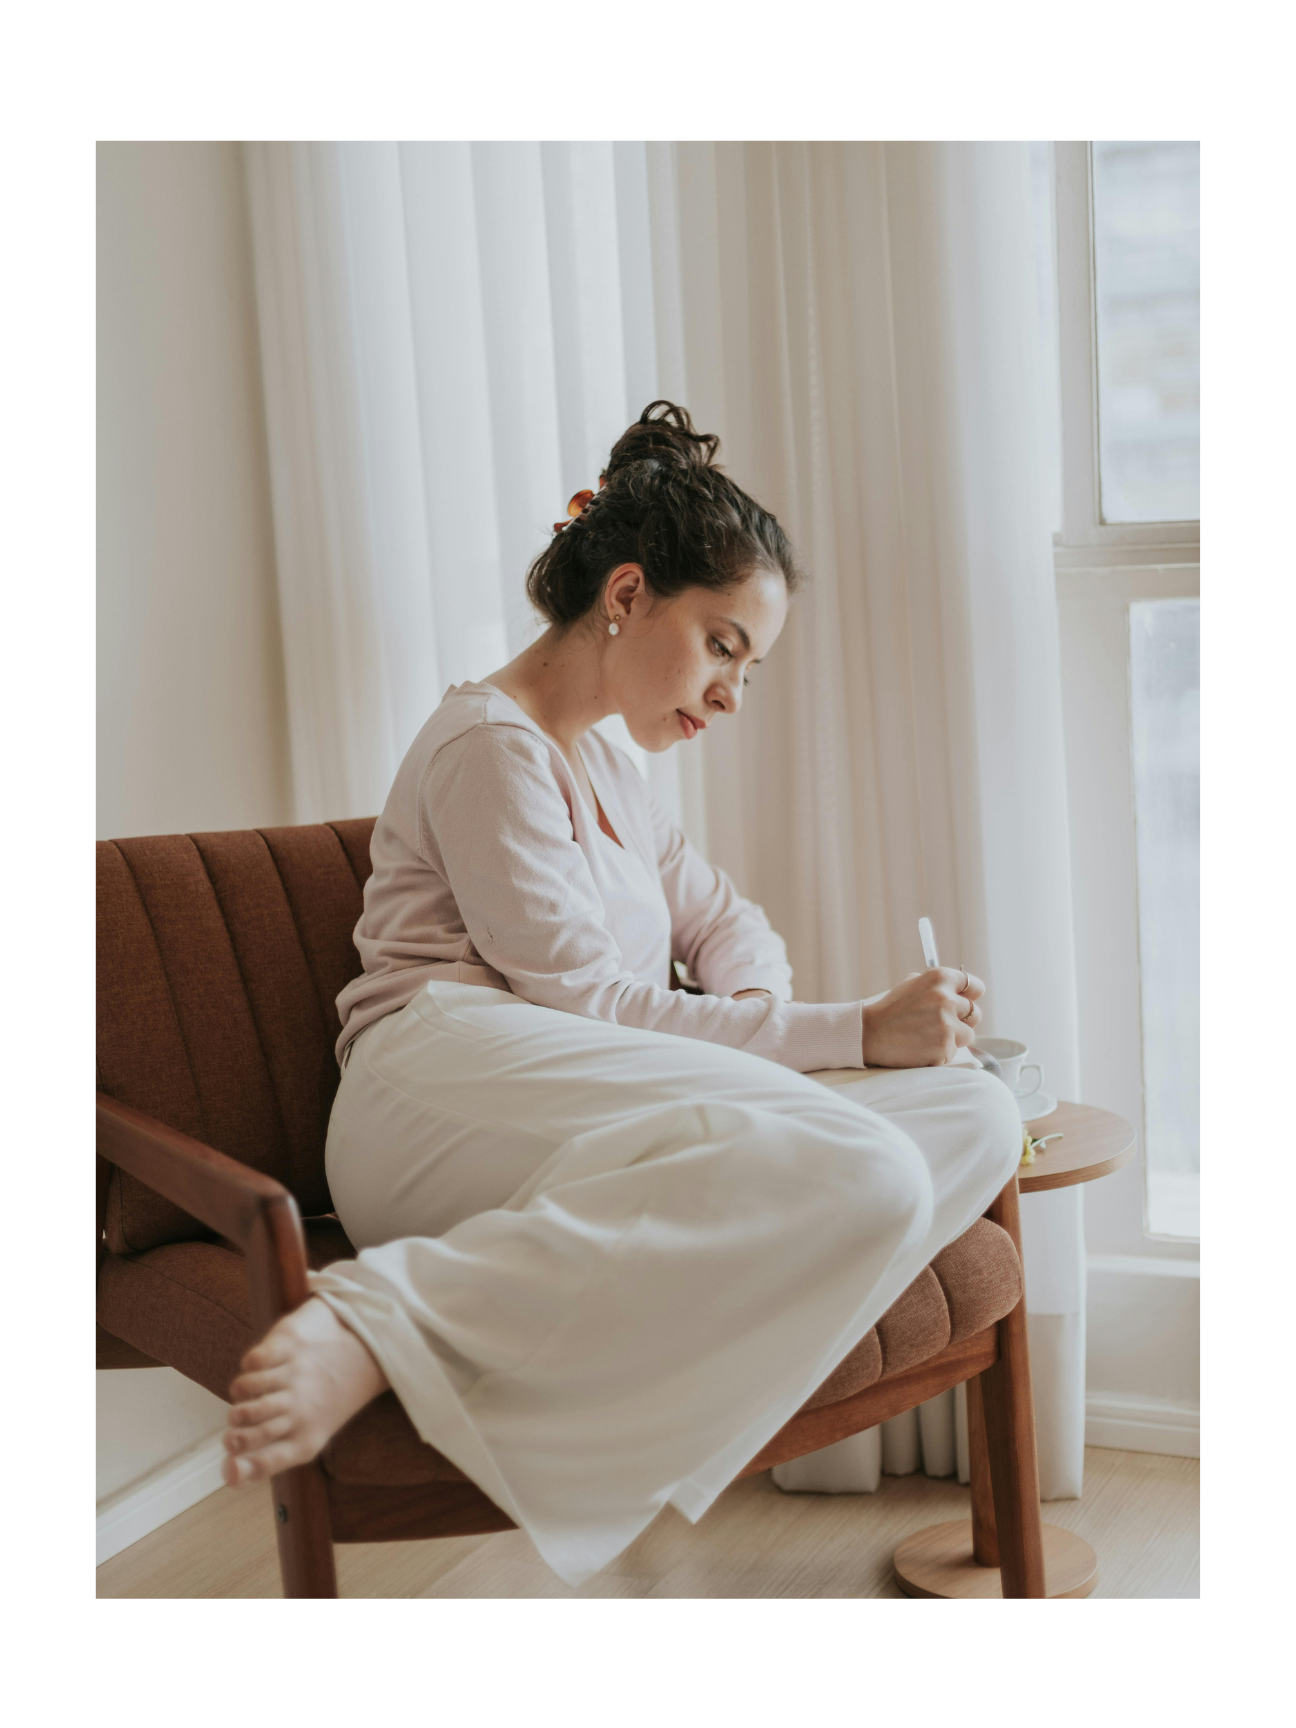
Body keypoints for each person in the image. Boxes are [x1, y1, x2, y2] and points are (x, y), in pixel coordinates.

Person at [221, 402, 1020, 1585]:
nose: (732, 694)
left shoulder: (608, 755)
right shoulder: (487, 747)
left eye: (748, 663)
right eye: (723, 646)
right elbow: (585, 1003)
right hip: (438, 1082)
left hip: (569, 1097)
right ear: (630, 594)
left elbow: (722, 919)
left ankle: (644, 1373)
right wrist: (850, 1032)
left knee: (979, 1117)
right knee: (874, 1166)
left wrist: (791, 1031)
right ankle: (382, 1314)